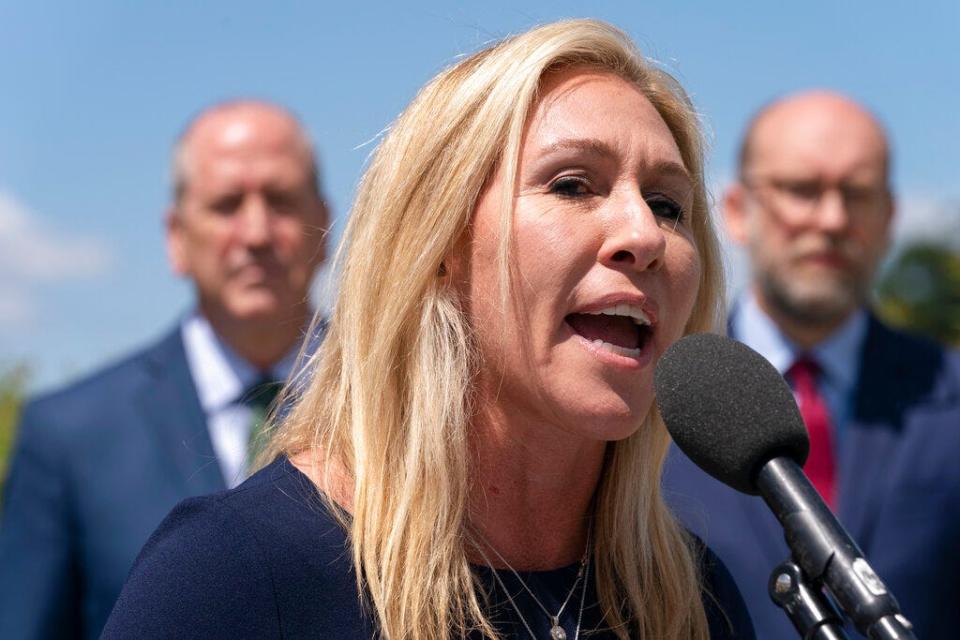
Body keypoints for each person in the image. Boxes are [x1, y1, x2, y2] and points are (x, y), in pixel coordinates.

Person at [103, 20, 755, 640]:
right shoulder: (231, 575)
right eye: (573, 184)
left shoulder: (693, 601)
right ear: (440, 239)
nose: (643, 235)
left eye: (668, 205)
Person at [0, 100, 329, 639]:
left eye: (281, 201)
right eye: (226, 205)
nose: (255, 233)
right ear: (177, 238)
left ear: (325, 224)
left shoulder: (412, 405)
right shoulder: (68, 436)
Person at [663, 91, 960, 639]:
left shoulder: (951, 396)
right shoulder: (653, 403)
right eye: (801, 190)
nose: (831, 218)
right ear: (736, 211)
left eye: (857, 193)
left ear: (889, 216)